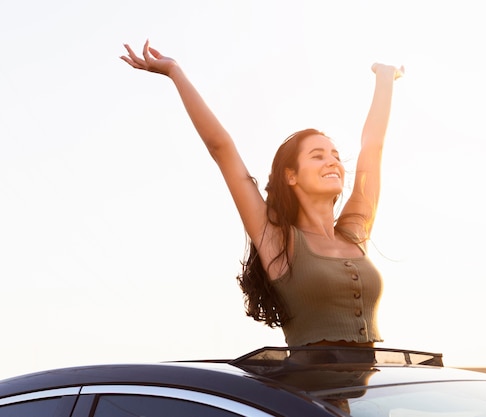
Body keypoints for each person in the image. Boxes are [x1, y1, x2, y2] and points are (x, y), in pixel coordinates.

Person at [121, 40, 404, 348]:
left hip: (367, 390)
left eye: (335, 154)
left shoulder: (354, 233)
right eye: (318, 155)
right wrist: (175, 71)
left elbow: (372, 149)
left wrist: (385, 77)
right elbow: (221, 149)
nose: (333, 161)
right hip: (306, 393)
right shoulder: (278, 241)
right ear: (290, 176)